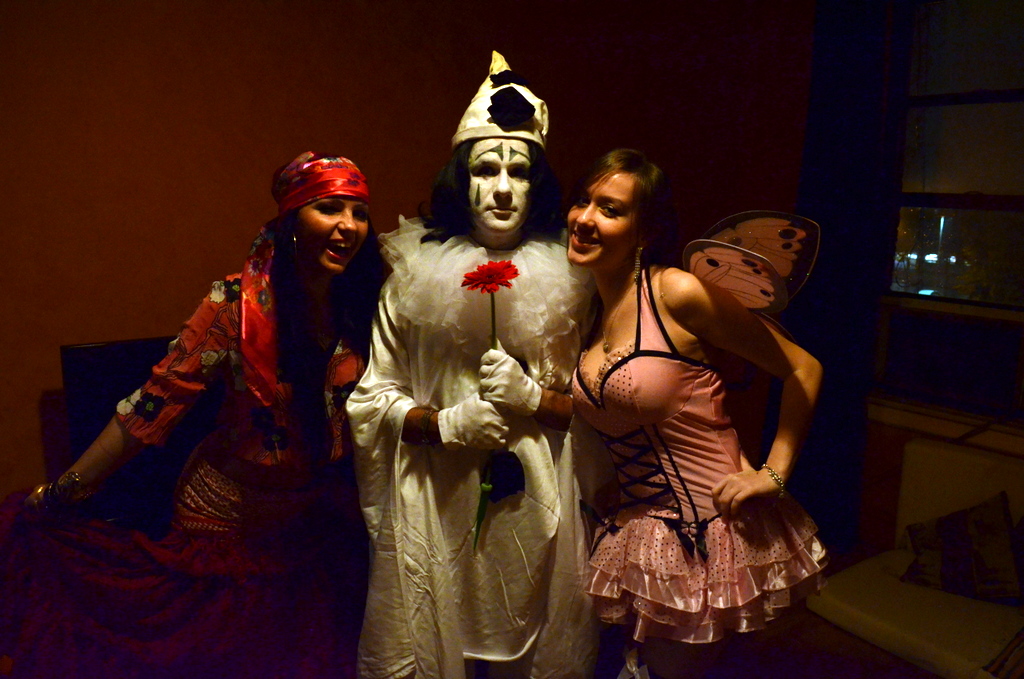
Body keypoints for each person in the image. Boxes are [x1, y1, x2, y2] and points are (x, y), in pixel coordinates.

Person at [0, 152, 382, 678]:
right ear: (293, 220)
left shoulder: (366, 306)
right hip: (225, 527)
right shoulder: (234, 304)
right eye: (329, 208)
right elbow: (155, 401)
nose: (349, 226)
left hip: (311, 524)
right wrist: (63, 491)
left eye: (359, 213)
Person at [347, 52, 599, 679]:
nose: (503, 189)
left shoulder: (578, 282)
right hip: (438, 509)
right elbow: (371, 400)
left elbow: (607, 412)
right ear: (462, 180)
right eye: (487, 169)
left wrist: (534, 400)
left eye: (520, 171)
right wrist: (444, 424)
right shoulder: (411, 279)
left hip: (537, 519)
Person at [567, 149, 827, 679]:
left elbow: (804, 368)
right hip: (639, 531)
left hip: (711, 529)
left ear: (645, 232)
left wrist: (774, 473)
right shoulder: (592, 311)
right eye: (583, 201)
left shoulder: (675, 291)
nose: (584, 219)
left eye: (610, 209)